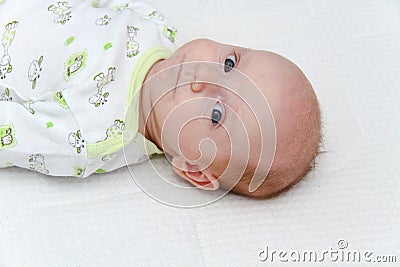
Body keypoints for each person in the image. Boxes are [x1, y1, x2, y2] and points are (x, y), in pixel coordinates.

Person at [0, 0, 321, 198]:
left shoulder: (93, 134)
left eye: (216, 114)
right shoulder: (162, 31)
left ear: (193, 169)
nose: (201, 77)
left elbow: (10, 134)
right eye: (228, 64)